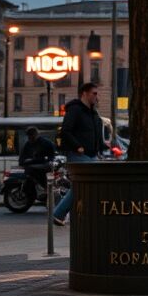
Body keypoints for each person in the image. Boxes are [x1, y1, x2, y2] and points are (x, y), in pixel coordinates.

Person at [52, 82, 104, 227]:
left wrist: (100, 149)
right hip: (78, 154)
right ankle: (60, 213)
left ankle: (62, 213)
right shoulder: (75, 110)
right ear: (84, 94)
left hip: (91, 154)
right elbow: (65, 131)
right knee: (91, 180)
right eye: (94, 93)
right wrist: (78, 146)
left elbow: (96, 132)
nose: (96, 96)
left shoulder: (93, 112)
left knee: (81, 185)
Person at [18, 125, 57, 207]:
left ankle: (46, 188)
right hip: (38, 163)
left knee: (33, 169)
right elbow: (23, 155)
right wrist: (22, 162)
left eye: (32, 136)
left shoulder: (45, 143)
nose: (30, 139)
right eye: (29, 136)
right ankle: (40, 188)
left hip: (45, 164)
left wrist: (30, 161)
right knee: (31, 169)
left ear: (36, 135)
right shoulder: (29, 143)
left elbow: (50, 157)